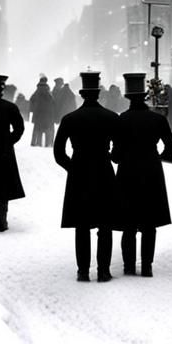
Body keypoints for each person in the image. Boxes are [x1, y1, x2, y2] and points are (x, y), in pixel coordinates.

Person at [54, 70, 120, 282]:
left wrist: (72, 167)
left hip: (79, 173)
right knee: (105, 225)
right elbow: (119, 152)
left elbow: (59, 153)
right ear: (98, 93)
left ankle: (83, 270)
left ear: (82, 94)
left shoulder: (70, 119)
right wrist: (111, 156)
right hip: (103, 171)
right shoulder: (111, 118)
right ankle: (103, 270)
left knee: (81, 225)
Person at [111, 72, 172, 277]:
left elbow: (115, 155)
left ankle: (129, 266)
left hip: (127, 173)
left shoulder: (121, 120)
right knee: (149, 223)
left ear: (128, 97)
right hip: (151, 172)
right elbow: (171, 150)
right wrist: (156, 157)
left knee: (129, 224)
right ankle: (147, 266)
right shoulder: (158, 119)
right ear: (146, 96)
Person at [0, 73, 26, 232]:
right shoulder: (10, 107)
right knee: (2, 187)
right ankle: (3, 220)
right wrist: (9, 141)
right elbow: (19, 129)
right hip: (4, 151)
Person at [29, 75, 56, 147]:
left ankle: (36, 143)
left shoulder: (37, 91)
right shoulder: (48, 91)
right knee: (47, 129)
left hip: (37, 114)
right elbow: (52, 102)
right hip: (46, 114)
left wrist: (33, 109)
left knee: (37, 129)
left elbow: (31, 100)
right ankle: (47, 144)